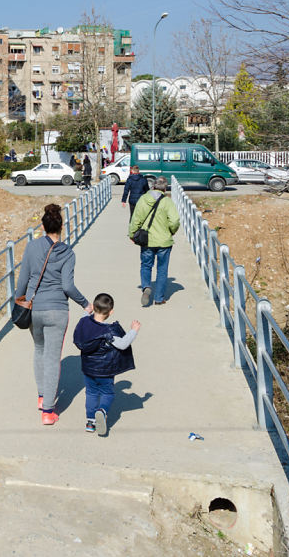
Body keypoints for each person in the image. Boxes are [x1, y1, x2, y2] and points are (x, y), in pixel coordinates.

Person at [14, 204, 93, 426]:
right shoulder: (68, 252)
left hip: (35, 308)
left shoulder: (31, 247)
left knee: (39, 350)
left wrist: (19, 301)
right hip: (58, 310)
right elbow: (68, 286)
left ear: (43, 226)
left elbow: (23, 279)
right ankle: (48, 411)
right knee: (52, 358)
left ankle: (41, 397)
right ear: (61, 227)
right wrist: (85, 304)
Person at [73, 293, 139, 436]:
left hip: (88, 368)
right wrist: (133, 330)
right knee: (107, 393)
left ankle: (90, 422)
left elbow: (85, 316)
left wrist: (86, 311)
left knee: (91, 393)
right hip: (105, 371)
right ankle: (102, 411)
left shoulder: (83, 322)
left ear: (94, 307)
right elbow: (123, 344)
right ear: (111, 312)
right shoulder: (109, 331)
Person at [128, 176, 181, 307]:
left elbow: (136, 219)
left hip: (147, 240)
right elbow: (174, 221)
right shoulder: (167, 202)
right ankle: (159, 298)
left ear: (153, 186)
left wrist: (132, 234)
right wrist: (172, 231)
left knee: (146, 265)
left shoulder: (143, 199)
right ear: (166, 188)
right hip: (164, 241)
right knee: (162, 270)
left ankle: (146, 286)